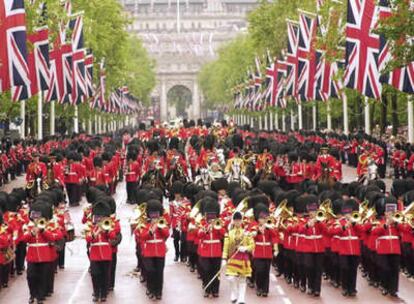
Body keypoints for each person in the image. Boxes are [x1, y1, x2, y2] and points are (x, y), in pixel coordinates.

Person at [85, 199, 117, 303]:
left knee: (105, 275)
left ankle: (103, 294)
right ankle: (96, 293)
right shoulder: (90, 225)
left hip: (106, 254)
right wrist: (96, 231)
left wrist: (106, 230)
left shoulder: (108, 224)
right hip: (94, 254)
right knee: (95, 274)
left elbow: (113, 236)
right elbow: (88, 238)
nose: (99, 219)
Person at [222, 211, 254, 304]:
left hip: (243, 258)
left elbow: (252, 245)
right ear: (233, 221)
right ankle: (234, 293)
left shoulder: (246, 233)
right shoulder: (229, 233)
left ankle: (241, 298)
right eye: (236, 220)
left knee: (242, 279)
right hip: (233, 257)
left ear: (241, 221)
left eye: (239, 220)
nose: (237, 222)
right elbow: (225, 247)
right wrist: (224, 259)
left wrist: (245, 248)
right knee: (231, 278)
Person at [140, 199, 169, 300]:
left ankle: (158, 292)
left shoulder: (162, 223)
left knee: (159, 272)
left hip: (160, 252)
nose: (154, 216)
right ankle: (151, 289)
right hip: (148, 251)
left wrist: (160, 227)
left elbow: (167, 234)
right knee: (150, 271)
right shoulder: (144, 224)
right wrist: (150, 231)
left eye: (156, 214)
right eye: (152, 214)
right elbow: (142, 236)